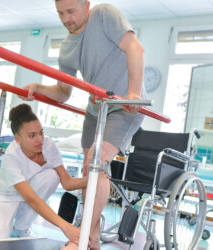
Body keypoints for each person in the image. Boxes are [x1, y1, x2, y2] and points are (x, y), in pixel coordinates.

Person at [21, 0, 146, 249]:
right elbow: (63, 92)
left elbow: (135, 48)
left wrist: (133, 93)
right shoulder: (67, 47)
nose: (66, 18)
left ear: (86, 5)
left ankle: (82, 235)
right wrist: (37, 88)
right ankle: (93, 239)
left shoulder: (104, 14)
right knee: (90, 170)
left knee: (97, 166)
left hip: (123, 106)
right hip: (95, 110)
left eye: (71, 11)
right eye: (60, 14)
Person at [0, 103, 89, 247]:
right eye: (32, 136)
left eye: (41, 133)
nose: (40, 139)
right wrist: (65, 226)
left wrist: (95, 179)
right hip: (5, 194)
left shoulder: (48, 145)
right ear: (18, 139)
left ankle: (21, 228)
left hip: (30, 190)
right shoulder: (12, 156)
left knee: (52, 176)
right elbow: (32, 199)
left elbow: (66, 182)